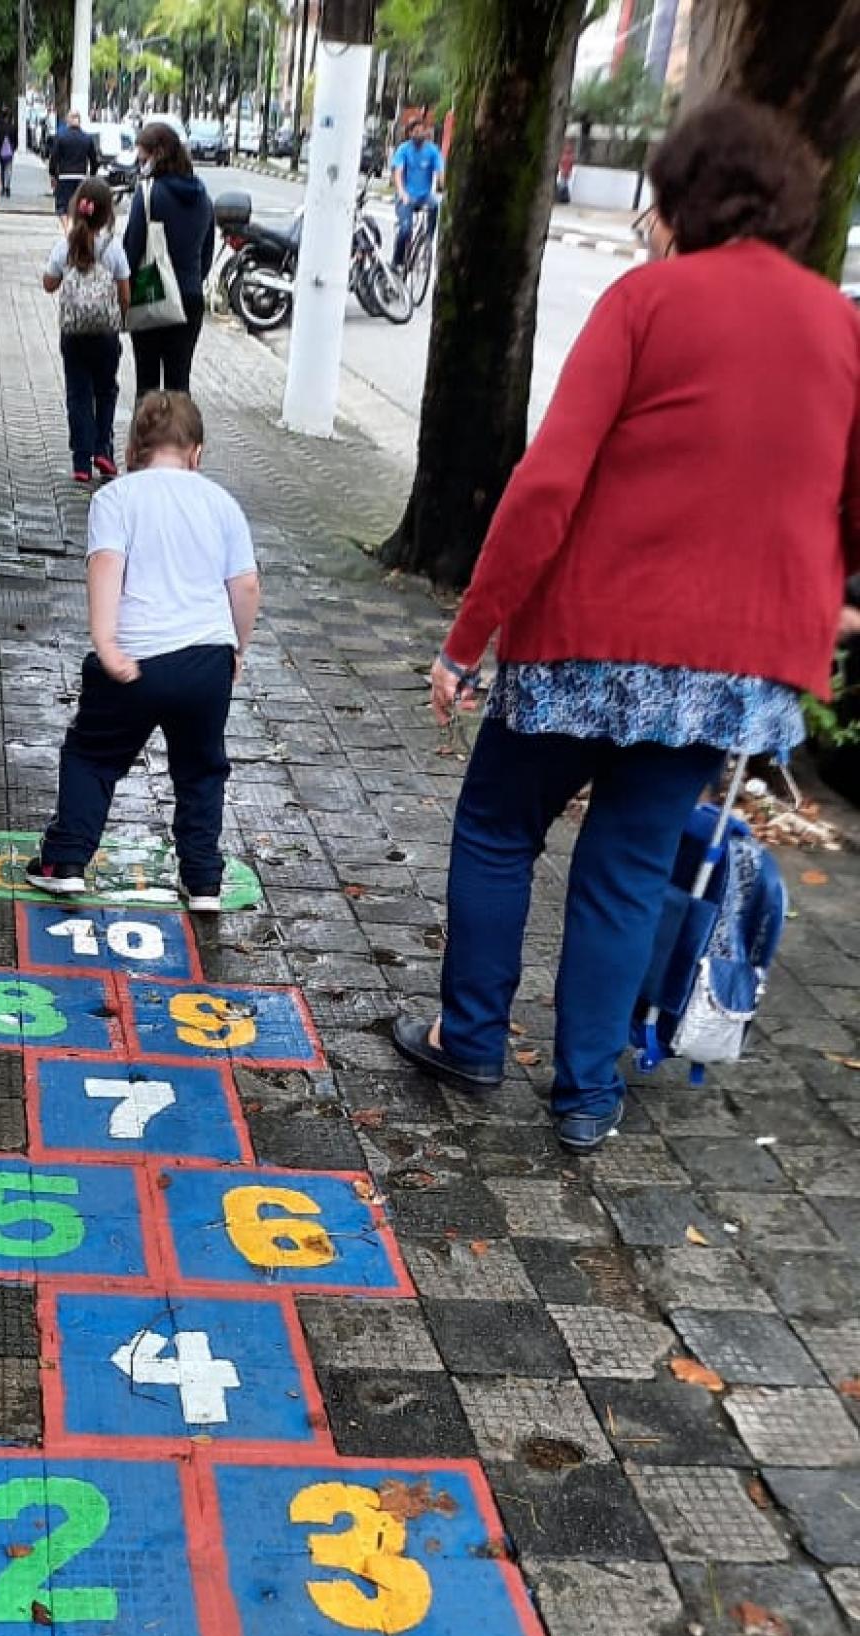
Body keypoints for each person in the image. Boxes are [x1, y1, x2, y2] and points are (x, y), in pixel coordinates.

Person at [390, 96, 860, 1153]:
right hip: (721, 669)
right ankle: (583, 1097)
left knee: (498, 825)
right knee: (627, 863)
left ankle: (467, 1039)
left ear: (680, 199)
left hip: (583, 643)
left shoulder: (646, 300)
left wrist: (464, 641)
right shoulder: (841, 327)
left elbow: (545, 483)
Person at [24, 390, 260, 911]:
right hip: (206, 661)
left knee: (92, 755)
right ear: (197, 452)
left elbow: (106, 566)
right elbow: (245, 587)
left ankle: (65, 861)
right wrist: (236, 649)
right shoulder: (221, 504)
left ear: (134, 448)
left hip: (137, 658)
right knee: (201, 770)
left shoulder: (117, 498)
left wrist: (106, 642)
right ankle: (202, 881)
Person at [43, 178, 131, 485]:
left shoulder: (66, 245)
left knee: (78, 394)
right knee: (106, 391)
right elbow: (125, 292)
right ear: (107, 213)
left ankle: (81, 461)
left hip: (74, 334)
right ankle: (103, 449)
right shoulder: (113, 247)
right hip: (106, 334)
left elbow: (48, 284)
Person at [122, 121, 216, 396]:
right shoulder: (203, 197)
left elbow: (131, 251)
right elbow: (206, 255)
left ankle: (148, 440)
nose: (141, 164)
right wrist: (189, 281)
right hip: (189, 300)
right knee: (179, 384)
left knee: (147, 384)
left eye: (143, 158)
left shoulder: (149, 194)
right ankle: (180, 439)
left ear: (157, 154)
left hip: (152, 295)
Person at [392, 112, 443, 264]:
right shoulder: (403, 150)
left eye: (422, 131)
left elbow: (440, 172)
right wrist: (402, 193)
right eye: (416, 132)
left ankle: (427, 239)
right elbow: (398, 174)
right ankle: (397, 261)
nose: (419, 134)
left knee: (436, 204)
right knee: (405, 230)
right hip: (406, 197)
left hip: (424, 196)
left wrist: (442, 185)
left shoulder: (433, 150)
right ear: (409, 133)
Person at [49, 109, 100, 222]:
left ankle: (68, 231)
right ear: (79, 121)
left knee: (62, 208)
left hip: (64, 177)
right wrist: (91, 175)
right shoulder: (87, 138)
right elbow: (94, 161)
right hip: (81, 177)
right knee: (79, 208)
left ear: (68, 120)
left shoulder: (61, 137)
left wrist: (53, 175)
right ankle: (76, 230)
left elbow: (54, 157)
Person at [0, 118, 16, 198]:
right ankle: (8, 187)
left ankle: (3, 188)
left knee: (2, 170)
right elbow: (15, 141)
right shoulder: (12, 128)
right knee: (8, 170)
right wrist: (13, 150)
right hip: (9, 152)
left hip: (1, 152)